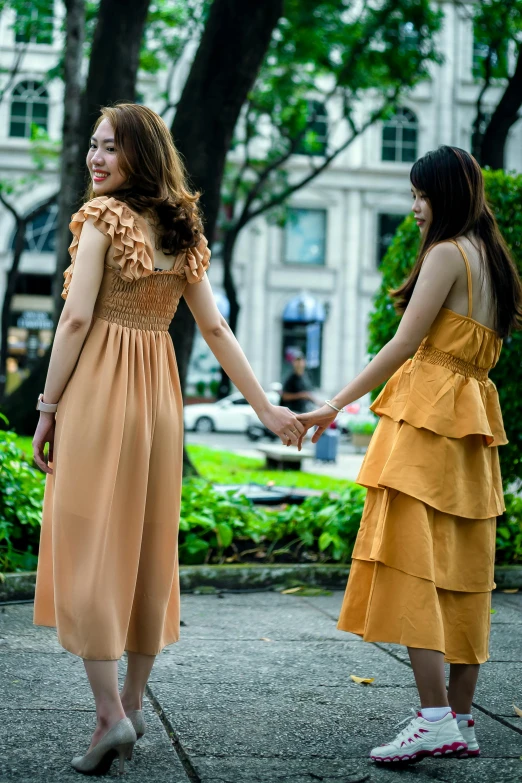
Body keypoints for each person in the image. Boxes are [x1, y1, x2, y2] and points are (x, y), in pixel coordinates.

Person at [32, 103, 304, 776]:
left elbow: (74, 322)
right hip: (158, 398)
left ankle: (108, 715)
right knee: (150, 543)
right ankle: (131, 703)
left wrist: (46, 406)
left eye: (110, 149)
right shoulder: (182, 229)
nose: (96, 159)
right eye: (93, 147)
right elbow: (216, 331)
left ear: (140, 156)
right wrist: (267, 409)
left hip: (97, 392)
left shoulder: (101, 221)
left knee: (88, 542)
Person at [297, 146, 522, 764]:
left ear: (445, 196)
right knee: (463, 576)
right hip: (471, 425)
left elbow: (403, 343)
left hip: (427, 422)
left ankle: (433, 717)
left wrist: (332, 405)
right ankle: (462, 718)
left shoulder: (449, 254)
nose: (414, 208)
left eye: (421, 196)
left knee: (412, 566)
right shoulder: (493, 261)